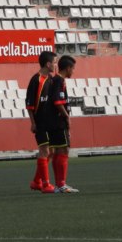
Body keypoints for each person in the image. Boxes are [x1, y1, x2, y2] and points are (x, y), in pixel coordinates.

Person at [25, 50, 57, 194]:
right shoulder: (35, 80)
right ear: (48, 64)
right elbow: (30, 104)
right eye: (54, 62)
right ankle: (46, 184)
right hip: (40, 122)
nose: (55, 65)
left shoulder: (51, 79)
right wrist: (33, 122)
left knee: (51, 151)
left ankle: (36, 181)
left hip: (50, 122)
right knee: (44, 150)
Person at [47, 55, 79, 193]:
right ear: (68, 68)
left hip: (53, 121)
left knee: (57, 151)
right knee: (64, 150)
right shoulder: (59, 81)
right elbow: (58, 102)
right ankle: (61, 185)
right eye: (73, 69)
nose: (73, 72)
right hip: (59, 122)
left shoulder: (55, 80)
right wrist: (67, 117)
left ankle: (59, 185)